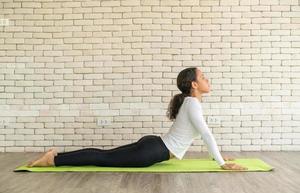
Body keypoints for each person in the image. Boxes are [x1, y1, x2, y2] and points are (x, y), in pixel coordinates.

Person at [27, 67, 247, 170]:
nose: (208, 79)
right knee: (103, 159)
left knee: (105, 156)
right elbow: (206, 134)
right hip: (153, 151)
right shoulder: (193, 104)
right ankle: (54, 160)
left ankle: (55, 157)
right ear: (194, 85)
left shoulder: (191, 104)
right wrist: (221, 163)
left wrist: (217, 157)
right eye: (203, 77)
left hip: (154, 146)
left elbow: (195, 135)